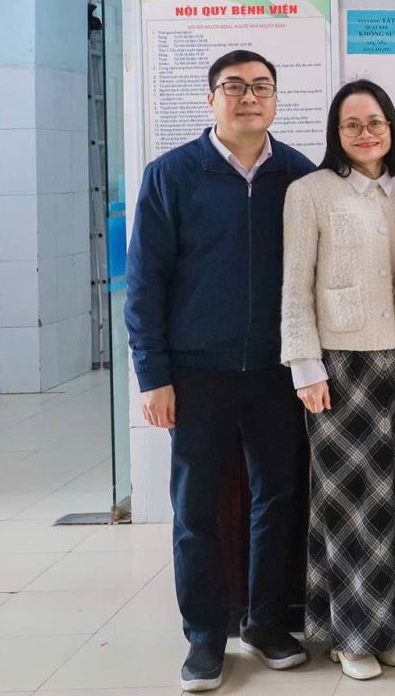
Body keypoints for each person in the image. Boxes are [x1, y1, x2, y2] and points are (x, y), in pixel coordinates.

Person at [126, 49, 315, 693]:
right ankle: (205, 636)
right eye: (234, 86)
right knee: (195, 509)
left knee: (279, 498)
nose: (249, 97)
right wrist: (153, 376)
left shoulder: (298, 175)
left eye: (262, 86)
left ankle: (266, 623)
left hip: (277, 371)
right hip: (195, 372)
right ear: (211, 99)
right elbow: (145, 285)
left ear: (276, 99)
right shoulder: (172, 175)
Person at [279, 80, 395, 680]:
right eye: (352, 125)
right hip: (338, 367)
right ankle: (351, 636)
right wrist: (304, 367)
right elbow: (294, 285)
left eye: (376, 123)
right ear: (336, 133)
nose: (366, 134)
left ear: (391, 127)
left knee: (391, 500)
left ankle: (383, 627)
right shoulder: (309, 192)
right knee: (346, 503)